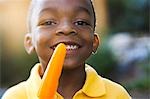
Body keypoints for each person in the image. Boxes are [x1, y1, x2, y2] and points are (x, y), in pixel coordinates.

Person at [2, 0, 131, 99]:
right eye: (48, 22)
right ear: (30, 43)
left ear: (94, 42)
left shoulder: (116, 95)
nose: (66, 28)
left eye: (80, 22)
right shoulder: (15, 96)